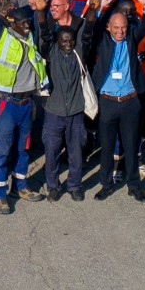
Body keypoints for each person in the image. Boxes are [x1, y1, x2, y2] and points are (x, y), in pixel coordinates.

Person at [0, 4, 48, 214]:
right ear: (13, 24)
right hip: (8, 105)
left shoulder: (29, 39)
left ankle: (20, 187)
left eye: (28, 22)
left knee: (22, 150)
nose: (28, 26)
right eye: (23, 23)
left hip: (27, 104)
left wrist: (40, 10)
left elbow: (42, 26)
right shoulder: (2, 38)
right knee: (2, 151)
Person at [88, 4, 145, 203]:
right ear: (108, 28)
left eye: (123, 27)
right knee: (107, 147)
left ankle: (134, 185)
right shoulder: (102, 41)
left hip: (130, 101)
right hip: (108, 102)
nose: (120, 31)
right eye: (116, 28)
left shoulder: (131, 39)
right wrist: (100, 7)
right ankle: (106, 185)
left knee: (130, 147)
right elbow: (92, 29)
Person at [39, 24, 93, 202]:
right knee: (52, 151)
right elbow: (45, 36)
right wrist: (40, 13)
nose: (68, 43)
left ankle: (74, 185)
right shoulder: (52, 53)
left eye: (70, 40)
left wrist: (93, 10)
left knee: (76, 152)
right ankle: (53, 186)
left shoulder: (79, 54)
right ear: (58, 42)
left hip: (76, 111)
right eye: (64, 40)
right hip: (54, 111)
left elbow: (86, 34)